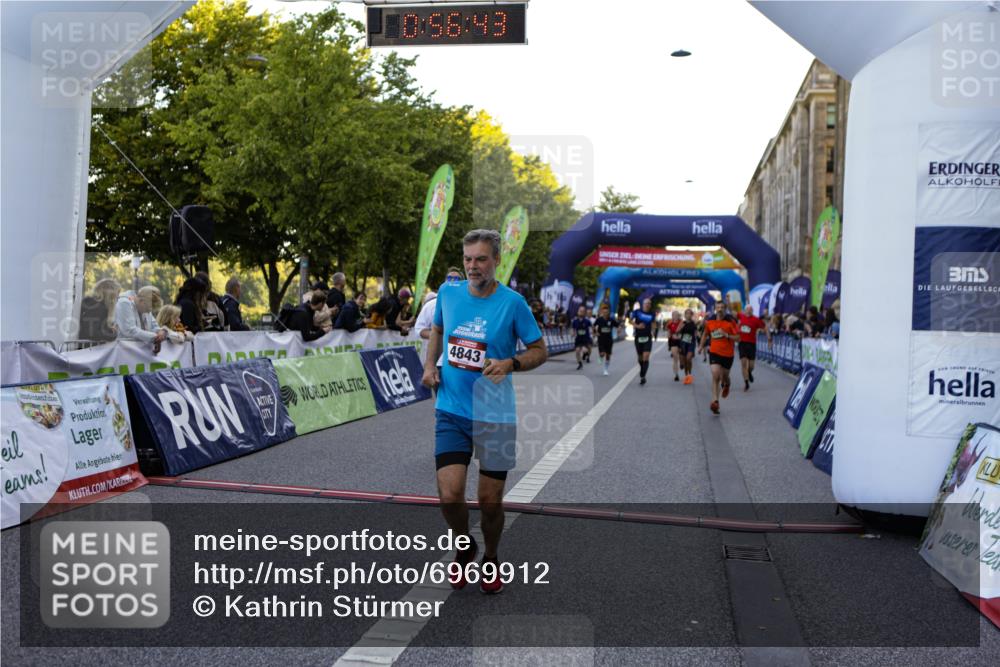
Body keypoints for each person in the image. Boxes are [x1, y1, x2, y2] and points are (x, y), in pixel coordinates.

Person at [421, 229, 547, 594]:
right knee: (449, 495)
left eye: (480, 259)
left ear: (496, 261)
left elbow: (539, 350)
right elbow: (437, 329)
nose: (473, 266)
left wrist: (511, 363)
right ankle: (464, 545)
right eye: (468, 259)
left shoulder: (513, 303)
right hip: (452, 409)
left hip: (496, 415)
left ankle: (491, 556)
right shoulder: (447, 293)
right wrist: (430, 366)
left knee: (490, 502)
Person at [699, 301, 740, 415]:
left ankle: (727, 384)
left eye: (722, 307)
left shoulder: (731, 322)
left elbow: (738, 338)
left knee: (724, 376)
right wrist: (701, 346)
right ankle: (715, 401)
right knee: (716, 375)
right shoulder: (710, 321)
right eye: (718, 307)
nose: (720, 309)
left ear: (725, 309)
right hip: (714, 352)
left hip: (727, 354)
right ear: (715, 308)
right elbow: (705, 334)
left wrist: (726, 335)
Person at [737, 305, 768, 391]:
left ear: (752, 311)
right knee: (743, 363)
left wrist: (769, 338)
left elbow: (764, 327)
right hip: (742, 343)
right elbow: (733, 311)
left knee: (751, 366)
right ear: (745, 310)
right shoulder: (741, 316)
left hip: (751, 344)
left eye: (750, 309)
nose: (748, 311)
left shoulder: (756, 319)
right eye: (747, 309)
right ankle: (746, 383)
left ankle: (749, 372)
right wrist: (728, 301)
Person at [631, 298, 655, 385]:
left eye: (649, 303)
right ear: (643, 304)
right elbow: (631, 321)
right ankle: (642, 369)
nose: (647, 305)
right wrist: (637, 326)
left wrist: (653, 331)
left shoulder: (652, 313)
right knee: (640, 357)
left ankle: (643, 376)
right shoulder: (637, 312)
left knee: (646, 356)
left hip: (648, 337)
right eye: (646, 303)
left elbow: (653, 323)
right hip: (638, 337)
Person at [592, 302, 620, 376]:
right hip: (601, 339)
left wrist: (619, 330)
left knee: (608, 355)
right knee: (602, 353)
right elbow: (594, 326)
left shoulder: (611, 320)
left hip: (609, 340)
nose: (605, 313)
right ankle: (601, 357)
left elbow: (618, 326)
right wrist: (595, 333)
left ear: (608, 313)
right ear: (602, 312)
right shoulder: (599, 319)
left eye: (607, 312)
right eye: (604, 312)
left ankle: (606, 369)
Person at [679, 308, 698, 384]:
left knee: (688, 359)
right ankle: (686, 375)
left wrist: (698, 339)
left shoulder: (694, 323)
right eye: (687, 314)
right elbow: (677, 331)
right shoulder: (682, 323)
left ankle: (689, 374)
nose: (688, 315)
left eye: (690, 314)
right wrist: (681, 328)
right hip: (683, 343)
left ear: (691, 315)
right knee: (684, 361)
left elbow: (696, 333)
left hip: (691, 343)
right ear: (685, 315)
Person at [571, 305, 592, 371]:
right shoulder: (575, 321)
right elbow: (573, 329)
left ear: (584, 313)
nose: (581, 312)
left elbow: (591, 328)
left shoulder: (587, 321)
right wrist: (573, 333)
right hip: (578, 339)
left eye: (582, 311)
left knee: (585, 350)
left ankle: (586, 354)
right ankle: (580, 364)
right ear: (578, 312)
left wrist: (592, 333)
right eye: (580, 311)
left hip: (585, 339)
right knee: (577, 351)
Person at [666, 310, 684, 382]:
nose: (675, 316)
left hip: (681, 341)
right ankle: (676, 375)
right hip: (673, 342)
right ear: (672, 316)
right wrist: (670, 337)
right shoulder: (670, 324)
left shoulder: (682, 323)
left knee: (681, 357)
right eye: (674, 315)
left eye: (677, 315)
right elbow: (668, 333)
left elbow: (685, 332)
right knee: (675, 358)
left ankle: (682, 363)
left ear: (679, 316)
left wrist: (680, 336)